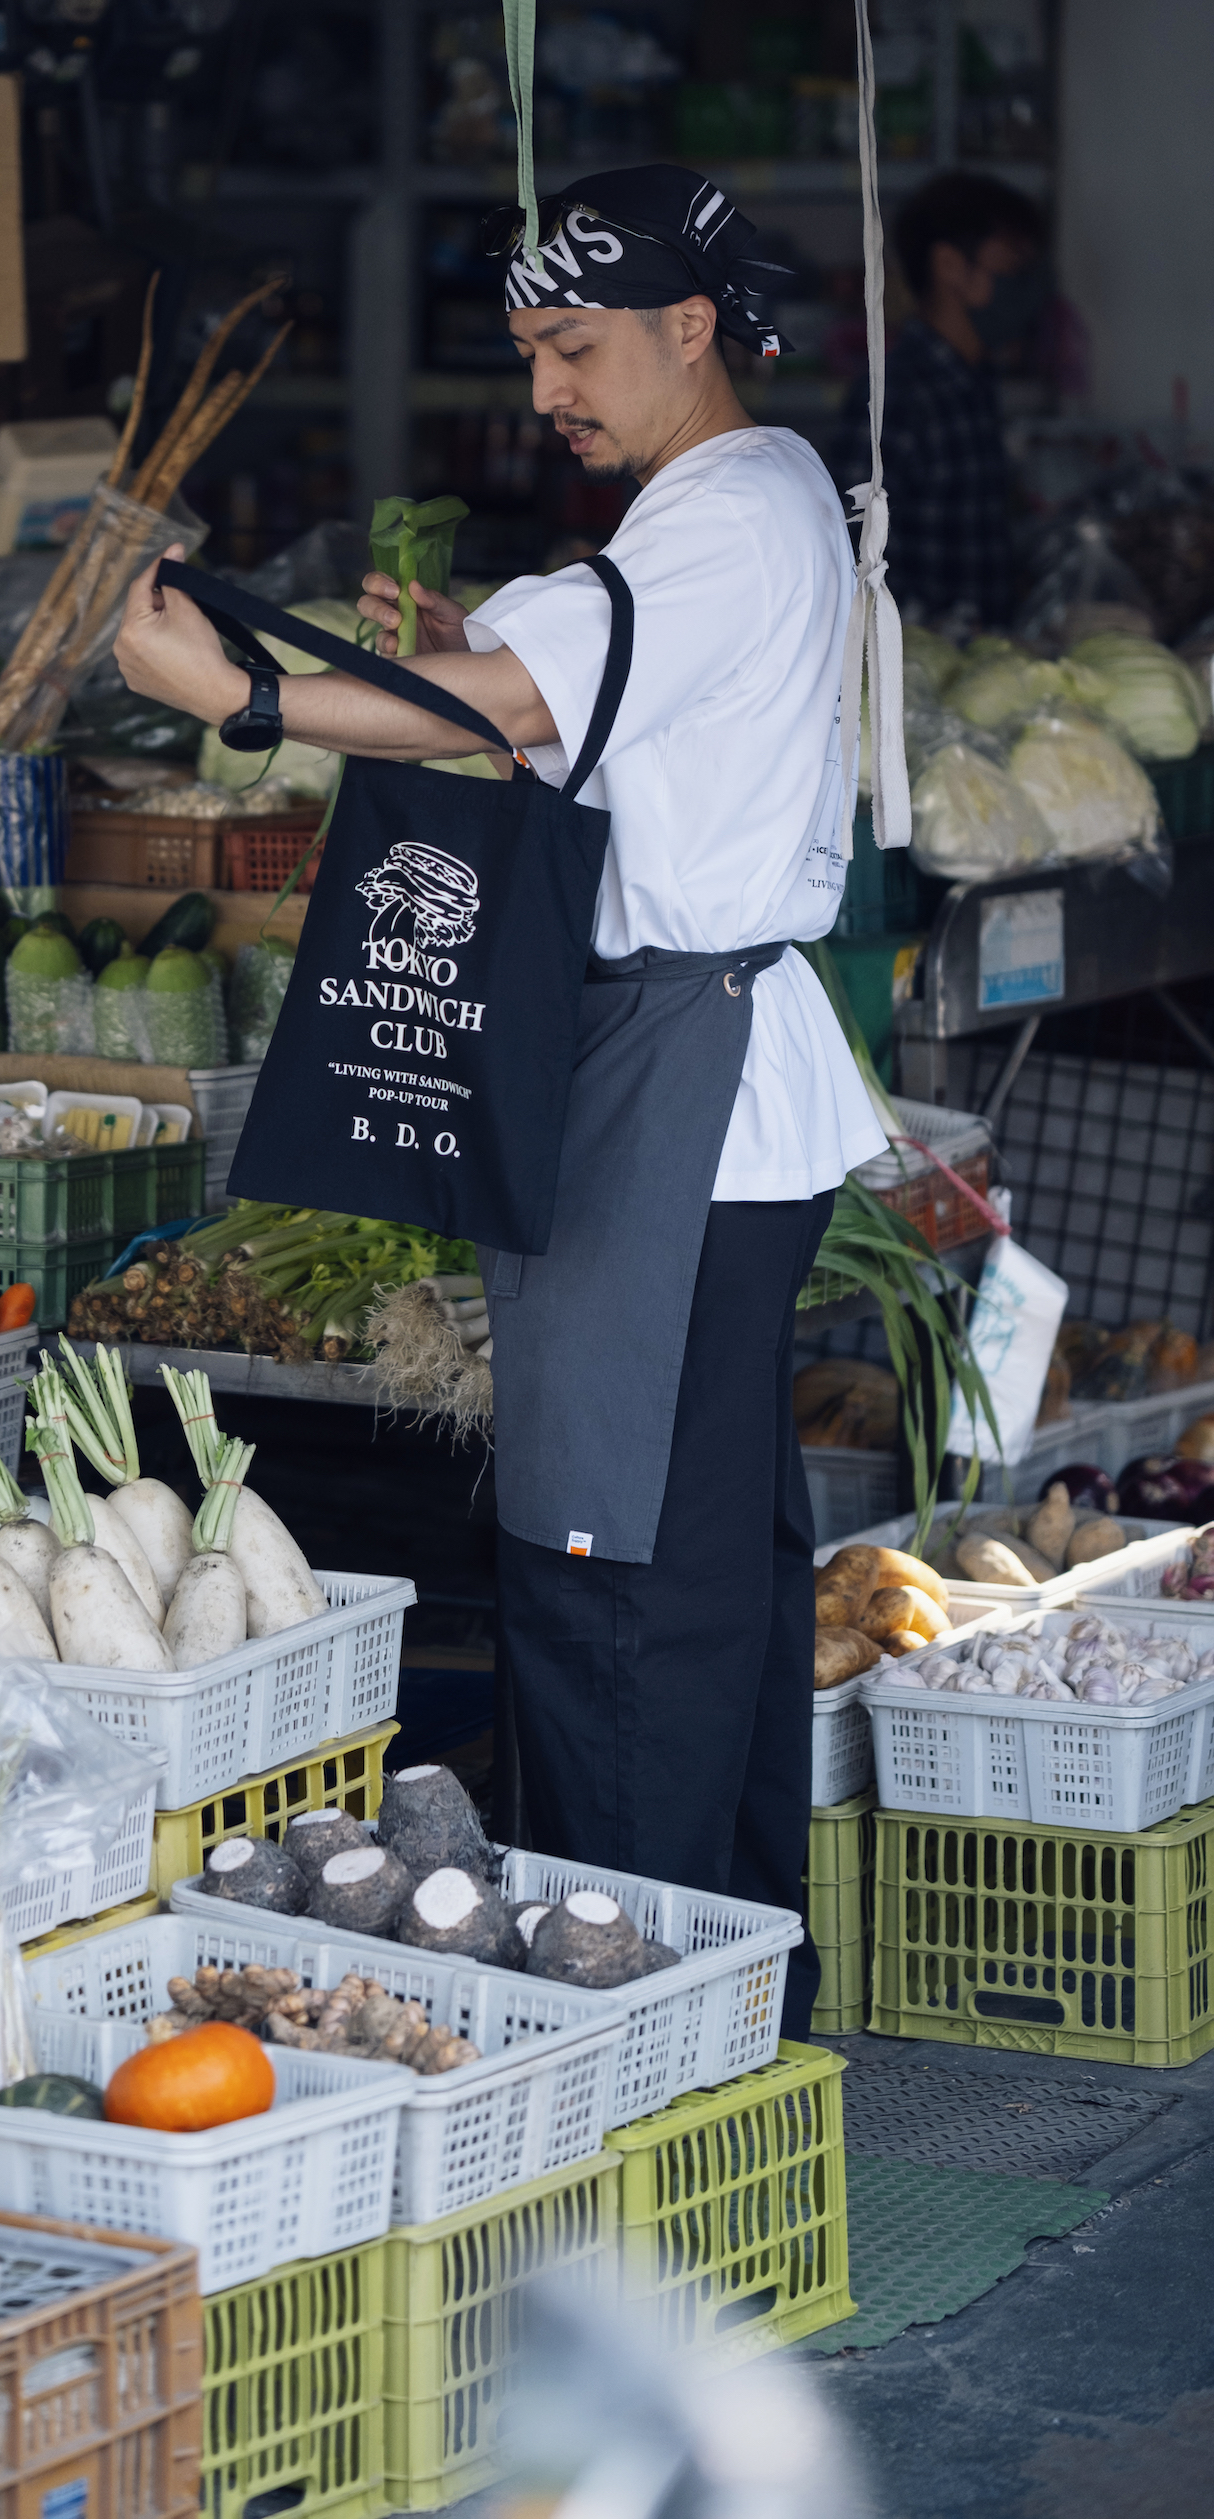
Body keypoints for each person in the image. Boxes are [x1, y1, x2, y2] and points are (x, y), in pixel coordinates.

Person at [114, 166, 889, 2035]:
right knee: (706, 1566)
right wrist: (468, 645)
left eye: (577, 346)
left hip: (680, 1096)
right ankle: (735, 2005)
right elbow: (584, 706)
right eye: (530, 347)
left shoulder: (723, 515)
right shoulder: (750, 497)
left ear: (690, 328)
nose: (546, 387)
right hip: (700, 1082)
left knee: (609, 1567)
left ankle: (629, 2030)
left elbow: (518, 717)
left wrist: (244, 697)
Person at [831, 168, 1046, 630]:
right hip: (919, 664)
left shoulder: (974, 384)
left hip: (985, 656)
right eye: (1014, 265)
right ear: (950, 265)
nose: (1028, 286)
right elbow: (852, 561)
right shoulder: (895, 398)